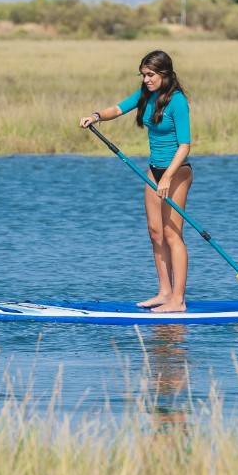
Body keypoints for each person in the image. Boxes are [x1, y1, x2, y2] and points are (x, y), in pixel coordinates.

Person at [80, 50, 192, 312]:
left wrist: (167, 177)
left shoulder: (177, 102)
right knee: (155, 232)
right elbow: (117, 109)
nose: (146, 80)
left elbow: (185, 145)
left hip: (177, 173)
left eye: (151, 75)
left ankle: (178, 299)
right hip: (153, 172)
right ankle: (164, 292)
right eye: (143, 75)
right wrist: (95, 116)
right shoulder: (146, 95)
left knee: (171, 234)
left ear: (164, 74)